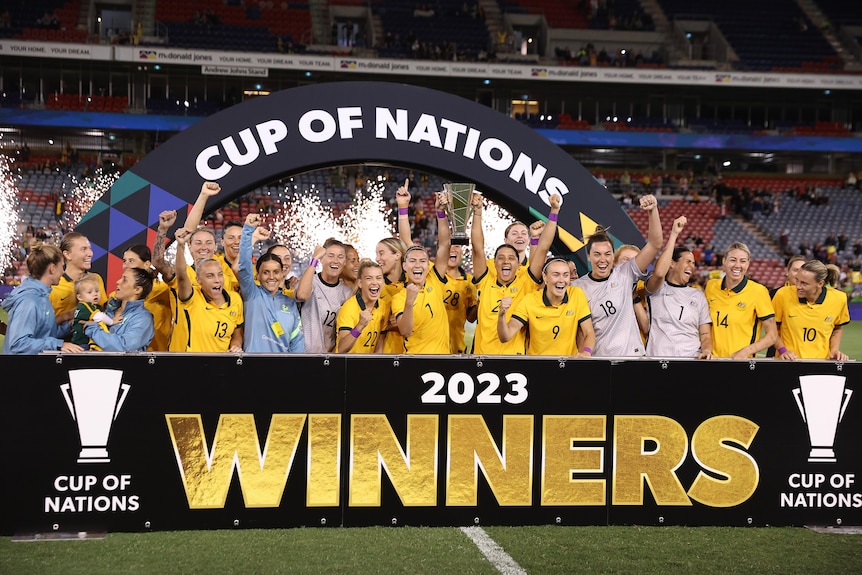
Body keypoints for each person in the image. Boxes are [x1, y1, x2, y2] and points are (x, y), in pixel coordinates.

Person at [471, 192, 561, 355]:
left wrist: (554, 212)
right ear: (494, 263)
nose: (506, 261)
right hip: (482, 357)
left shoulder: (526, 281)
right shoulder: (485, 280)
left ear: (518, 264)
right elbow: (477, 247)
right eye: (501, 258)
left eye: (511, 258)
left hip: (515, 359)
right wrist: (477, 212)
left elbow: (543, 247)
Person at [572, 194, 663, 357]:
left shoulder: (625, 273)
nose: (603, 259)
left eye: (607, 254)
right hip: (599, 360)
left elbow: (655, 244)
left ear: (613, 256)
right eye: (597, 254)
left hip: (632, 357)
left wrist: (652, 211)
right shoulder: (578, 287)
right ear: (588, 257)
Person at [153, 181, 235, 351]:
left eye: (208, 243)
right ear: (190, 247)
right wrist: (163, 230)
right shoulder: (183, 274)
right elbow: (158, 262)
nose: (203, 247)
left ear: (215, 247)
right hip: (182, 354)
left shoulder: (225, 275)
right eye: (197, 243)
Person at [643, 217, 713, 359]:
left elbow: (705, 334)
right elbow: (658, 273)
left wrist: (706, 350)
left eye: (693, 263)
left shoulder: (698, 295)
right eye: (687, 261)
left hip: (690, 360)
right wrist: (674, 234)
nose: (691, 266)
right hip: (657, 360)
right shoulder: (656, 289)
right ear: (672, 264)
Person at [498, 258, 595, 357]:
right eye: (556, 275)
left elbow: (589, 332)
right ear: (545, 277)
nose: (561, 280)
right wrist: (501, 315)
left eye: (565, 275)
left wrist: (586, 352)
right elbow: (505, 336)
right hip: (538, 366)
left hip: (566, 365)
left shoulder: (576, 294)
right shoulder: (530, 300)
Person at [238, 214, 304, 353]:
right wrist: (248, 229)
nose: (271, 277)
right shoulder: (252, 294)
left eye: (276, 272)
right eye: (266, 272)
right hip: (253, 367)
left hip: (282, 369)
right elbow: (244, 266)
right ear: (258, 275)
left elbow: (297, 340)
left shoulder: (290, 302)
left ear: (282, 273)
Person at [2, 244, 83, 354]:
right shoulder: (28, 301)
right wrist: (58, 345)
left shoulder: (41, 297)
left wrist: (72, 325)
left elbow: (44, 334)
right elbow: (18, 344)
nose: (63, 272)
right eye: (62, 267)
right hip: (20, 369)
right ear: (52, 268)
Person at [173, 227, 244, 352]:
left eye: (220, 274)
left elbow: (237, 333)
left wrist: (236, 346)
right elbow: (181, 275)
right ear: (198, 280)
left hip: (222, 366)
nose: (217, 280)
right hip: (193, 365)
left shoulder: (235, 300)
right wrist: (180, 245)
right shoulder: (192, 298)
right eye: (210, 276)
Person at [704, 242, 777, 359]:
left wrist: (746, 351)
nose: (737, 265)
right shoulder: (711, 286)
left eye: (743, 261)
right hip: (713, 361)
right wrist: (706, 349)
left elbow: (772, 336)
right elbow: (705, 325)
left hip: (741, 364)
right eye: (733, 260)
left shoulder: (758, 291)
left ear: (748, 264)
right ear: (724, 261)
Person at [773, 260, 850, 361]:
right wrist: (783, 351)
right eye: (797, 280)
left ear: (820, 283)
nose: (798, 286)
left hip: (821, 363)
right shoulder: (782, 294)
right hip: (789, 363)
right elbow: (772, 329)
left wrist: (834, 350)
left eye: (804, 283)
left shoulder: (839, 298)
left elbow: (837, 328)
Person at [295, 238, 352, 353]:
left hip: (329, 357)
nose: (335, 261)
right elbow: (301, 295)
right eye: (330, 256)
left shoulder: (347, 293)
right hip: (304, 355)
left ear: (345, 262)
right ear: (322, 259)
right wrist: (314, 260)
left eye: (340, 257)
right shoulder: (311, 281)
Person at [83, 268, 155, 352]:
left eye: (124, 280)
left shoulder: (143, 318)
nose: (118, 281)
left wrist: (92, 330)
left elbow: (124, 346)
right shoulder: (110, 309)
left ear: (137, 289)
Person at [117, 244, 172, 352]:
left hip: (158, 353)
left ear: (147, 264)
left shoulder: (163, 289)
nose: (126, 265)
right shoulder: (118, 295)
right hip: (128, 352)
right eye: (124, 261)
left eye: (131, 261)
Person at [49, 231, 108, 328]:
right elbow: (45, 325)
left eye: (90, 249)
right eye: (83, 249)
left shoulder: (96, 279)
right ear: (67, 255)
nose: (90, 254)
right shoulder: (54, 285)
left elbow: (102, 311)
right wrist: (66, 316)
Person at [336, 259, 390, 353]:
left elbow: (379, 344)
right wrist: (359, 326)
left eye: (378, 278)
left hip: (370, 365)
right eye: (369, 278)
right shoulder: (348, 307)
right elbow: (342, 348)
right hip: (347, 365)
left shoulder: (384, 306)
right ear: (360, 283)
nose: (374, 282)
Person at [376, 236, 408, 354]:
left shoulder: (413, 282)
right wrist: (388, 325)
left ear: (397, 255)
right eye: (377, 254)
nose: (377, 258)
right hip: (385, 354)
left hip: (413, 352)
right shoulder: (375, 286)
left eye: (381, 253)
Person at [71, 273, 112, 350]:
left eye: (97, 291)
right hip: (83, 343)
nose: (95, 294)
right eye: (89, 292)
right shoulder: (85, 306)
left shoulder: (96, 306)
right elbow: (99, 317)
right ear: (79, 297)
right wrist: (112, 321)